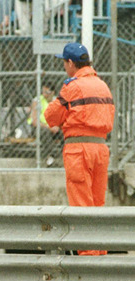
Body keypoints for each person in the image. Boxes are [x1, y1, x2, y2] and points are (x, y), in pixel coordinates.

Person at [44, 42, 114, 256]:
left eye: (65, 63)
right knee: (97, 205)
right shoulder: (102, 85)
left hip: (78, 151)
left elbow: (51, 117)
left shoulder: (72, 86)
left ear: (71, 63)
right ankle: (100, 258)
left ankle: (87, 263)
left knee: (82, 207)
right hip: (101, 149)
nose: (65, 67)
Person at [27, 82, 61, 167]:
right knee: (45, 133)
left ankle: (61, 157)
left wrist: (58, 126)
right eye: (43, 92)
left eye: (47, 92)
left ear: (52, 93)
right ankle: (49, 160)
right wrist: (49, 127)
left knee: (66, 133)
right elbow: (34, 121)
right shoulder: (37, 100)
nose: (44, 95)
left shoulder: (57, 101)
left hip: (54, 127)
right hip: (40, 127)